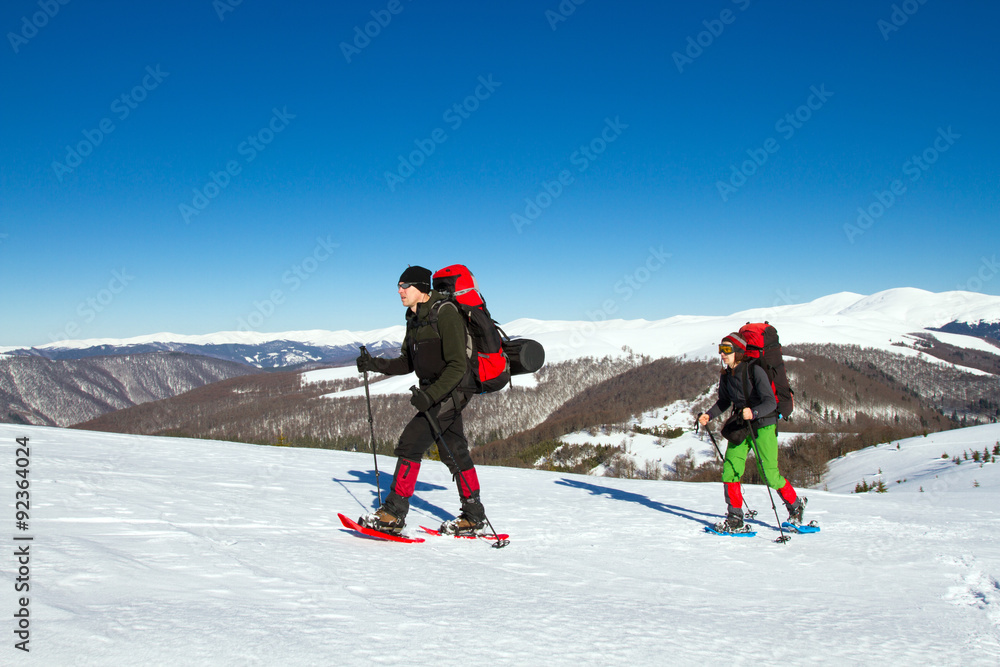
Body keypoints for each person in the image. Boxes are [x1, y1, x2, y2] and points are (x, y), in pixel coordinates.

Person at [354, 265, 487, 536]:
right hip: (436, 391)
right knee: (455, 451)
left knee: (411, 443)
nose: (400, 291)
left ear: (422, 288)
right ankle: (473, 516)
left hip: (452, 390)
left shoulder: (445, 313)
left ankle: (393, 514)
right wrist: (373, 364)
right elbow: (407, 362)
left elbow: (457, 366)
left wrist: (430, 396)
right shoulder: (413, 318)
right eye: (399, 287)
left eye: (405, 286)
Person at [698, 332, 805, 533]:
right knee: (731, 468)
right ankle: (735, 518)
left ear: (738, 351)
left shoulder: (754, 370)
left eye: (727, 350)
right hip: (741, 423)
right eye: (721, 349)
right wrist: (709, 415)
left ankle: (796, 506)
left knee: (770, 474)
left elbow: (770, 402)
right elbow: (724, 402)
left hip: (764, 422)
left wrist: (753, 412)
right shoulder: (726, 375)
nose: (722, 354)